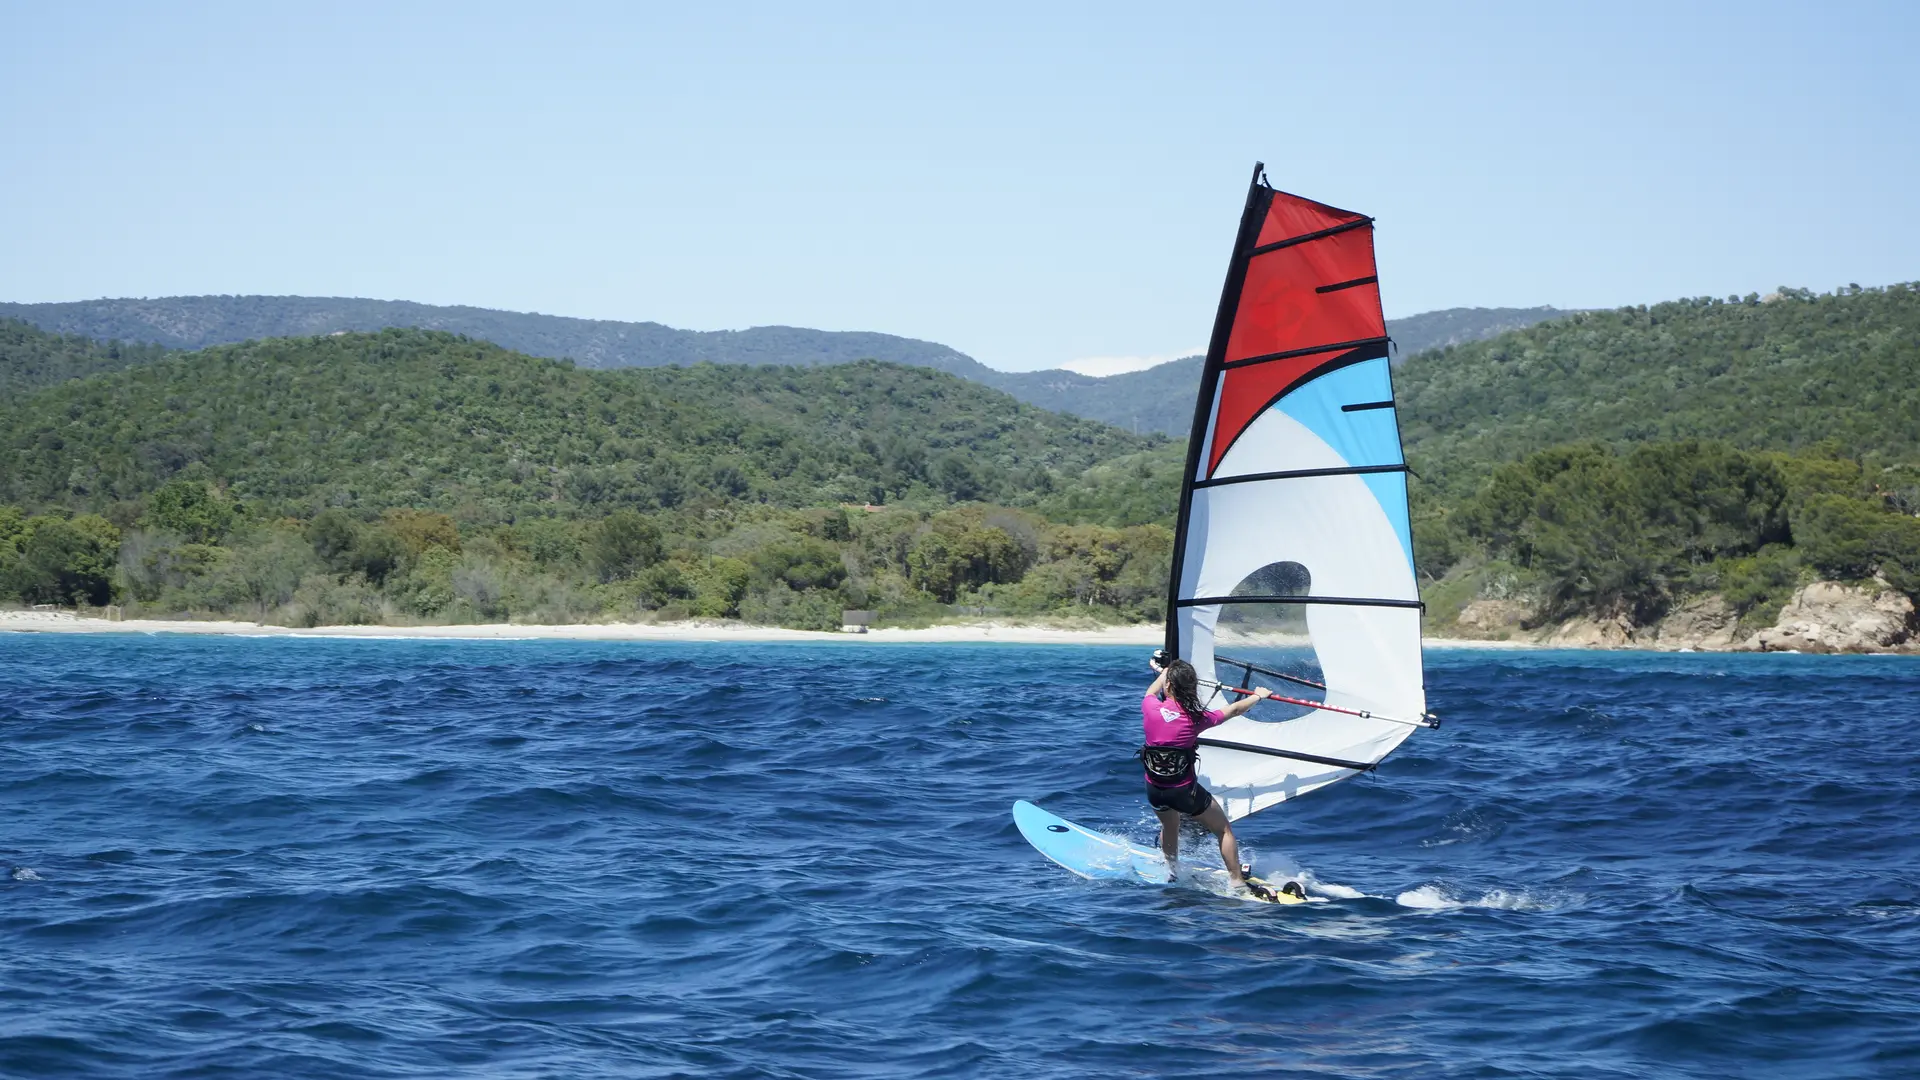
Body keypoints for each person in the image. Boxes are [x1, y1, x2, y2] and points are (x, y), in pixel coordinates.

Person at [1140, 650, 1277, 901]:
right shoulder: (1196, 719)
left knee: (1169, 825)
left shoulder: (1150, 707)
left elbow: (1151, 691)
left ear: (1168, 685)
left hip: (1154, 789)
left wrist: (1166, 672)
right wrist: (1259, 695)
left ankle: (1172, 871)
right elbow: (1235, 709)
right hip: (1184, 792)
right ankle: (1236, 881)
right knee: (1223, 830)